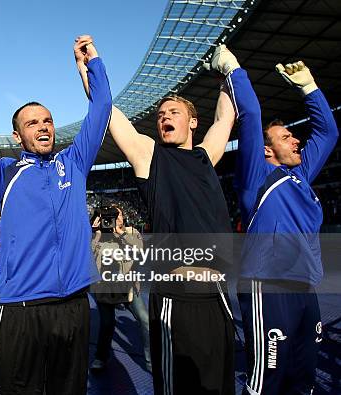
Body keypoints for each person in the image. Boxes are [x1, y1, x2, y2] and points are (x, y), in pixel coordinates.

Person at [0, 35, 112, 394]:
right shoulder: (4, 174)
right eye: (32, 123)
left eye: (48, 121)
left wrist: (91, 64)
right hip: (21, 309)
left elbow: (102, 106)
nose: (43, 127)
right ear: (17, 135)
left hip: (73, 306)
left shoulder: (73, 163)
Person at [84, 44, 236, 393]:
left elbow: (225, 118)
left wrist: (229, 69)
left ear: (192, 122)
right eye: (160, 114)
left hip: (218, 297)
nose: (164, 117)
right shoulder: (149, 157)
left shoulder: (205, 157)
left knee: (220, 385)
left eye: (173, 112)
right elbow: (109, 113)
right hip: (176, 298)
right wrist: (90, 66)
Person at [217, 45, 339, 394]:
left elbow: (328, 134)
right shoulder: (257, 177)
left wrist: (309, 87)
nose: (296, 139)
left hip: (306, 289)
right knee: (266, 383)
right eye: (287, 137)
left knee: (304, 378)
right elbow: (251, 114)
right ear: (266, 150)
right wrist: (232, 68)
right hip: (267, 288)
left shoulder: (300, 175)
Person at [89, 205, 151, 372]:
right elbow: (89, 259)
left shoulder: (131, 232)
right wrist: (96, 234)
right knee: (107, 323)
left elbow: (140, 252)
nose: (116, 219)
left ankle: (151, 362)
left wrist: (121, 234)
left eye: (118, 215)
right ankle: (101, 357)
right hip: (105, 288)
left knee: (145, 319)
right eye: (109, 217)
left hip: (128, 286)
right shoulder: (97, 236)